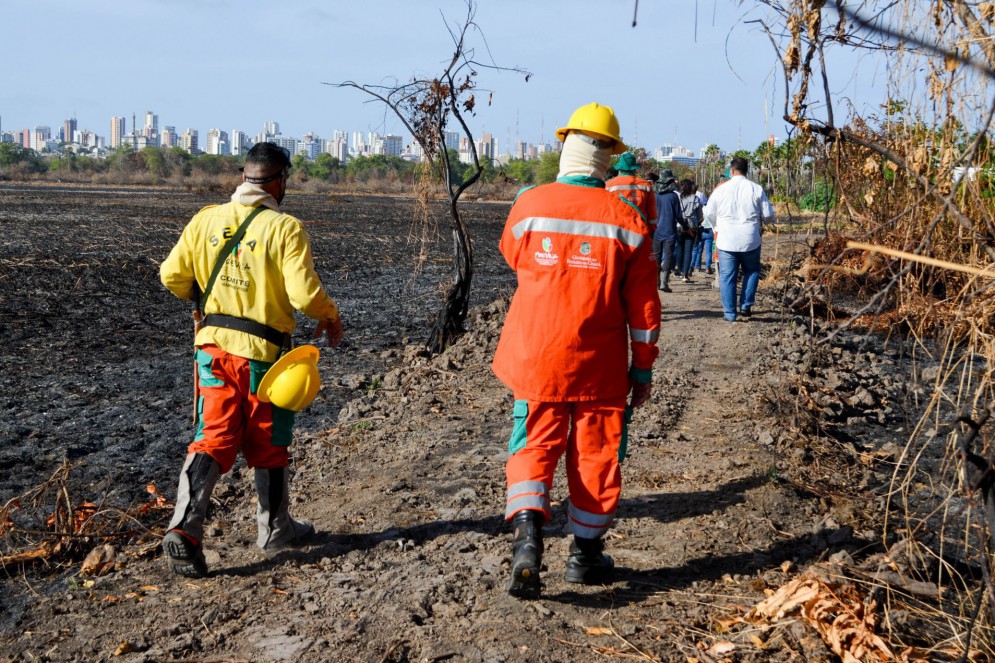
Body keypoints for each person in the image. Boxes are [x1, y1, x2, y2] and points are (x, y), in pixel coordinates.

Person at [491, 102, 661, 599]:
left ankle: (527, 542)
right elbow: (644, 310)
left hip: (537, 359)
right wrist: (643, 372)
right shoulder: (628, 221)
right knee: (596, 457)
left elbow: (512, 256)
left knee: (533, 447)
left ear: (566, 144)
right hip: (599, 367)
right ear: (609, 155)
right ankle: (585, 558)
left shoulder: (528, 205)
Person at [159, 142, 344, 578]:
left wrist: (205, 298)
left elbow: (171, 275)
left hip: (213, 349)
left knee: (213, 436)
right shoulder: (285, 228)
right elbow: (303, 294)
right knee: (268, 441)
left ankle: (185, 530)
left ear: (244, 177)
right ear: (280, 181)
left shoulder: (206, 218)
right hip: (264, 357)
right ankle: (276, 530)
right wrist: (331, 317)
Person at [703, 157, 776, 321]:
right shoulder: (756, 189)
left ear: (732, 170)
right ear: (746, 171)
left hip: (726, 239)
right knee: (752, 271)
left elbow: (708, 213)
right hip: (750, 238)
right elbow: (768, 215)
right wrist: (765, 222)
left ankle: (729, 313)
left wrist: (717, 226)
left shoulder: (721, 190)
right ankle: (745, 306)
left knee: (727, 275)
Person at [606, 152, 658, 234]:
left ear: (619, 168)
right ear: (634, 169)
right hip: (639, 231)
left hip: (616, 230)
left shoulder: (608, 185)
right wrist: (652, 230)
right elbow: (652, 213)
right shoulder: (645, 185)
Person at [651, 169, 682, 292]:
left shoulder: (653, 195)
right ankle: (664, 282)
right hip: (670, 230)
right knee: (668, 256)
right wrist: (685, 225)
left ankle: (656, 281)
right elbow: (679, 215)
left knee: (657, 256)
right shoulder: (674, 196)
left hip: (656, 231)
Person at [677, 179, 701, 282]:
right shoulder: (695, 198)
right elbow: (700, 215)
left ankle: (679, 269)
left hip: (679, 225)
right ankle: (685, 275)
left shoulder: (679, 197)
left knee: (679, 248)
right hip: (692, 227)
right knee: (688, 250)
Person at [692, 184, 715, 274]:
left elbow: (699, 218)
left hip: (701, 230)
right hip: (709, 231)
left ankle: (697, 266)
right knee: (708, 251)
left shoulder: (701, 209)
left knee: (699, 249)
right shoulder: (711, 209)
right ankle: (708, 267)